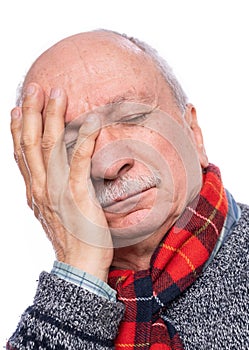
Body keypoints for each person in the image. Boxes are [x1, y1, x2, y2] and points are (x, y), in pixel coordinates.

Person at [7, 29, 248, 350]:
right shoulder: (48, 315)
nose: (110, 165)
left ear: (194, 133)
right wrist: (78, 278)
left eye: (132, 117)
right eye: (73, 143)